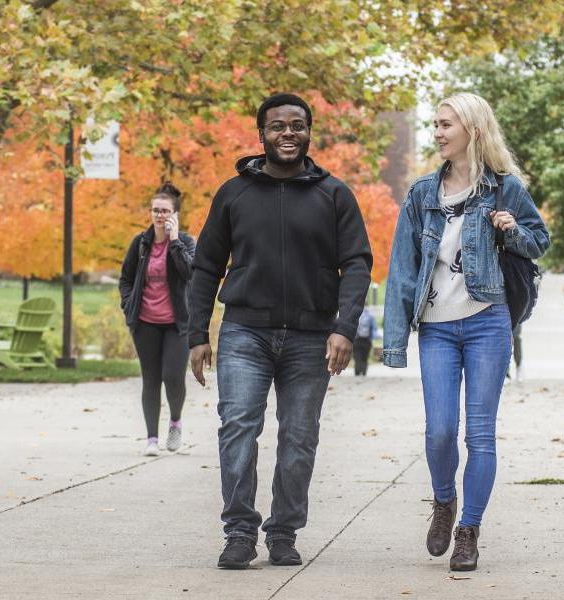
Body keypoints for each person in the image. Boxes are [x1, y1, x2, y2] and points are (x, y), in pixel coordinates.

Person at [187, 93, 373, 570]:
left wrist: (344, 328)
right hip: (244, 333)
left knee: (298, 438)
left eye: (297, 125)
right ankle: (240, 532)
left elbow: (356, 264)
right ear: (262, 134)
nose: (287, 133)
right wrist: (197, 334)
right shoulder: (234, 193)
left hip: (312, 339)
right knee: (239, 431)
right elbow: (206, 266)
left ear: (309, 133)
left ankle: (284, 532)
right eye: (277, 126)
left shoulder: (334, 194)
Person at [381, 92, 550, 572]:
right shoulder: (420, 195)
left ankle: (469, 530)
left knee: (480, 435)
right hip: (436, 328)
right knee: (438, 432)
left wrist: (512, 229)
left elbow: (539, 242)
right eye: (434, 125)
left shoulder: (504, 189)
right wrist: (394, 343)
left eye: (445, 125)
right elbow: (402, 269)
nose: (437, 133)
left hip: (487, 323)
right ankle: (443, 501)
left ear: (473, 130)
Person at [118, 183, 195, 456]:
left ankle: (175, 421)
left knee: (173, 377)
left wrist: (174, 241)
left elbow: (190, 273)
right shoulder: (140, 243)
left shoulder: (185, 242)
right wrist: (128, 305)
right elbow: (126, 279)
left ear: (175, 214)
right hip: (145, 322)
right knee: (151, 379)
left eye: (165, 211)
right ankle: (151, 439)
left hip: (177, 324)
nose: (159, 215)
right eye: (155, 210)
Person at [354, 309, 376, 376]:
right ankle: (364, 372)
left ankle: (357, 371)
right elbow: (374, 328)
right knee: (365, 357)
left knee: (357, 356)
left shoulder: (356, 314)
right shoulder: (370, 316)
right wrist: (371, 339)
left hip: (357, 339)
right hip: (367, 340)